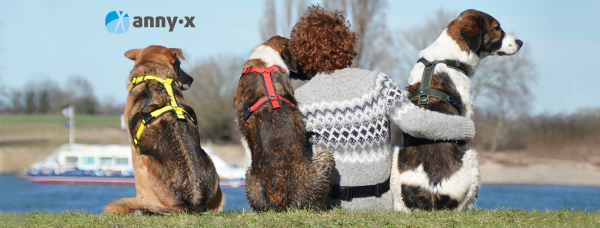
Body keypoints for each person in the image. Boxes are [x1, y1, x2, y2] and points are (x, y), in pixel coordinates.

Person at [288, 5, 476, 211]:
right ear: (346, 43)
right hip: (381, 205)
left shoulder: (300, 99)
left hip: (332, 206)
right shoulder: (378, 82)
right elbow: (416, 122)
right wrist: (464, 127)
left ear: (302, 53)